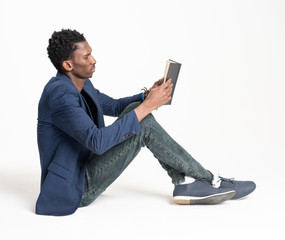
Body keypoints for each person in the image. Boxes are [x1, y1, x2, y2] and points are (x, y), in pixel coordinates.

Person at [36, 29, 256, 216]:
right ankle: (204, 180)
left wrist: (147, 96)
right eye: (86, 57)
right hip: (74, 186)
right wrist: (148, 106)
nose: (93, 60)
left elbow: (113, 106)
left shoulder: (81, 84)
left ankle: (186, 182)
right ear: (68, 64)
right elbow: (97, 142)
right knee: (144, 121)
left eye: (92, 54)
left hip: (86, 167)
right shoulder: (60, 94)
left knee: (138, 113)